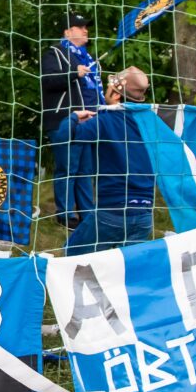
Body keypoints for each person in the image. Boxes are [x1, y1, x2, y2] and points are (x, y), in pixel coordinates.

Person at [65, 67, 155, 255]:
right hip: (145, 213)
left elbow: (69, 135)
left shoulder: (105, 119)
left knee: (72, 257)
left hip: (112, 211)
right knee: (129, 270)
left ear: (115, 94)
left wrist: (74, 118)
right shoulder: (152, 122)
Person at [40, 11, 101, 227]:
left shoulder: (88, 58)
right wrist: (74, 73)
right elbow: (48, 81)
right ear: (67, 32)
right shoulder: (53, 53)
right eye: (80, 26)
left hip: (88, 121)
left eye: (86, 26)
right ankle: (65, 215)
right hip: (63, 120)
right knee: (68, 168)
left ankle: (88, 214)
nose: (86, 30)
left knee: (85, 169)